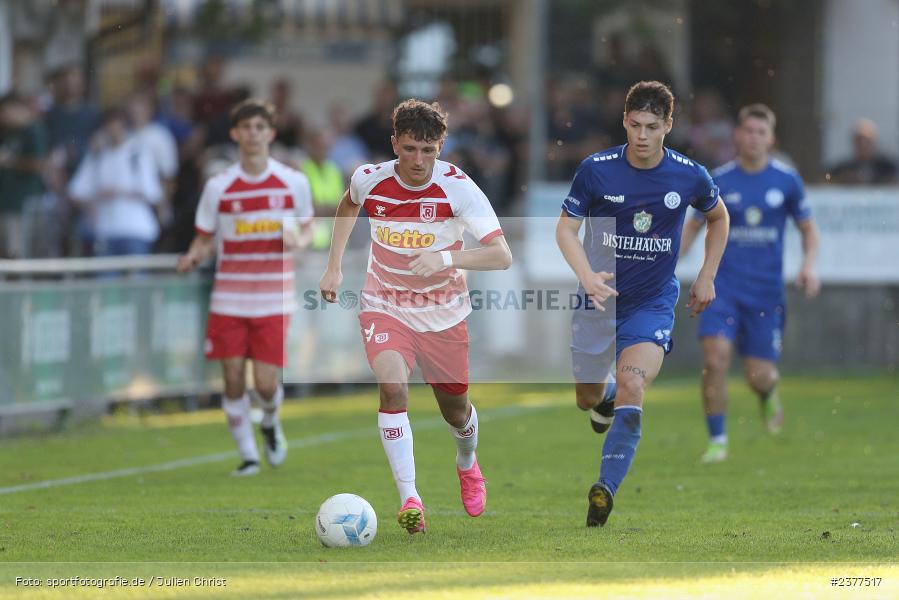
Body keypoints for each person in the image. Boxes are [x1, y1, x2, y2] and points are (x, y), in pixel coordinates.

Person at [319, 99, 513, 534]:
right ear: (394, 144)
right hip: (385, 304)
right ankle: (410, 498)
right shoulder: (369, 178)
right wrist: (334, 266)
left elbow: (501, 255)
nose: (419, 160)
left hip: (443, 315)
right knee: (392, 389)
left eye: (428, 150)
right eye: (409, 149)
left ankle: (467, 462)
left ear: (441, 147)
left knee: (455, 411)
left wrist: (445, 257)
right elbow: (348, 205)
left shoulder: (459, 189)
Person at [555, 81, 729, 527]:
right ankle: (605, 397)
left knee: (634, 384)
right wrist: (586, 275)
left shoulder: (689, 174)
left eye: (652, 126)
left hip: (651, 303)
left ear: (669, 124)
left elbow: (718, 216)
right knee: (586, 398)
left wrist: (707, 274)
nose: (642, 135)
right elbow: (565, 229)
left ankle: (605, 489)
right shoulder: (596, 170)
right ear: (624, 122)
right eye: (635, 125)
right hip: (598, 300)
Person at [177, 100, 314, 476]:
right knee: (234, 378)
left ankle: (269, 421)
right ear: (235, 134)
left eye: (260, 127)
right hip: (229, 299)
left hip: (274, 298)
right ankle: (249, 456)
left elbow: (308, 230)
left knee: (266, 385)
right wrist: (192, 257)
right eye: (246, 127)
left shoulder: (293, 182)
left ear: (271, 134)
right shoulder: (219, 186)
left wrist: (298, 242)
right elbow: (204, 237)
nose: (253, 134)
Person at [681, 104, 820, 462]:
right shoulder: (719, 180)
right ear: (737, 136)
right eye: (748, 131)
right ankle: (718, 441)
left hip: (765, 294)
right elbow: (694, 226)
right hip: (722, 289)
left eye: (761, 132)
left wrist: (808, 266)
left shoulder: (786, 180)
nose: (754, 138)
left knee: (759, 376)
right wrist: (669, 263)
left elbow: (809, 230)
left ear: (771, 139)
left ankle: (768, 392)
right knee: (715, 360)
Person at [68, 108, 163, 257]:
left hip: (135, 231)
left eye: (117, 124)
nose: (113, 129)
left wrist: (118, 192)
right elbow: (75, 192)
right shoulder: (97, 156)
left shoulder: (138, 153)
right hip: (105, 231)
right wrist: (92, 202)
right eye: (109, 125)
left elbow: (153, 193)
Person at [826, 118, 898, 185]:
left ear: (874, 142)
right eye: (858, 141)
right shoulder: (845, 168)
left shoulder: (887, 166)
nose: (862, 145)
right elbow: (827, 178)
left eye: (866, 141)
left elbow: (894, 181)